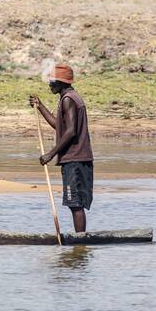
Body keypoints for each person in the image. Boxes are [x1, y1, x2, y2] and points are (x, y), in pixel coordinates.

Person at [30, 63, 93, 233]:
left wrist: (50, 154)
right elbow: (60, 127)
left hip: (74, 159)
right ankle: (80, 243)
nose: (50, 85)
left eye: (52, 81)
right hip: (78, 158)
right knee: (76, 203)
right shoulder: (69, 97)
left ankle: (80, 245)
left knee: (75, 203)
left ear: (61, 82)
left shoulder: (68, 99)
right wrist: (40, 106)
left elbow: (71, 131)